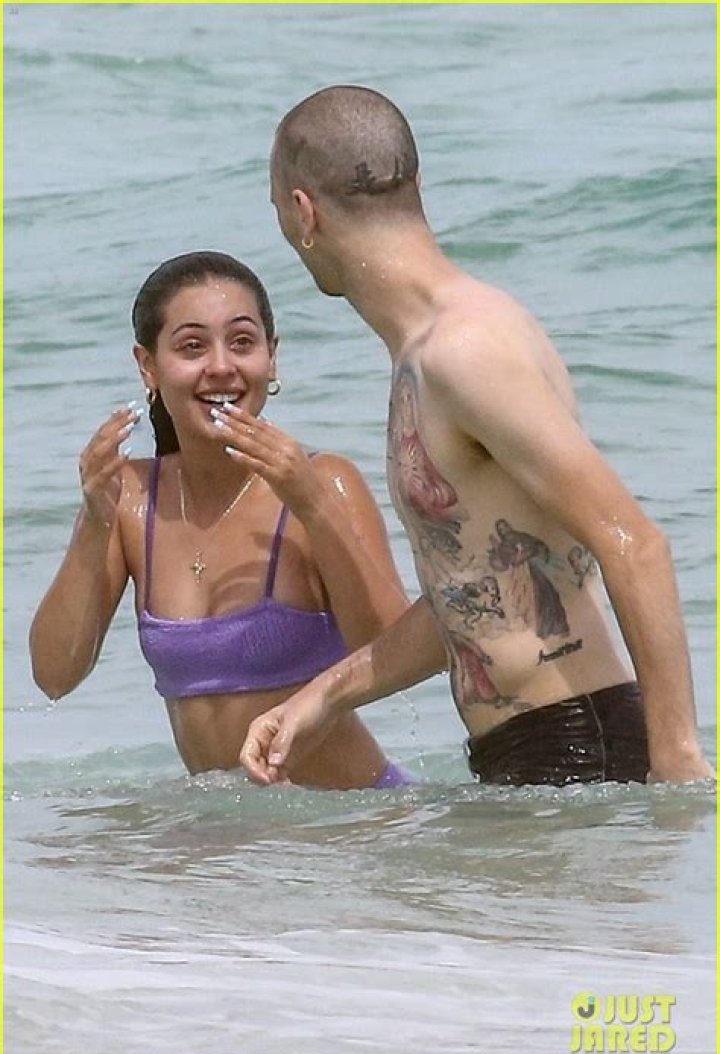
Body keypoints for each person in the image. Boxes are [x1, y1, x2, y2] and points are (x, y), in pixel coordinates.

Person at [239, 85, 714, 788]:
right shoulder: (436, 350)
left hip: (576, 744)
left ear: (304, 213)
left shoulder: (464, 349)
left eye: (278, 210)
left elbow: (635, 542)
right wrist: (323, 697)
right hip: (543, 747)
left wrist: (675, 760)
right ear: (418, 184)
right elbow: (474, 596)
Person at [29, 250, 416, 790]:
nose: (221, 366)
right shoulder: (129, 500)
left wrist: (313, 506)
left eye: (242, 342)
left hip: (352, 823)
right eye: (192, 346)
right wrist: (94, 524)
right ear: (148, 366)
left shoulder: (323, 482)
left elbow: (399, 653)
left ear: (272, 357)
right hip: (224, 833)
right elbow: (54, 675)